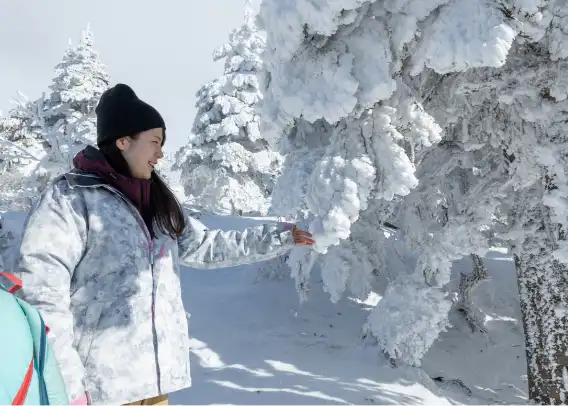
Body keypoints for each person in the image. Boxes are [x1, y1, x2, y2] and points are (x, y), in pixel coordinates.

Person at [13, 84, 315, 405]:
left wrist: (281, 236)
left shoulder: (158, 202)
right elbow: (42, 298)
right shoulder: (70, 199)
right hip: (100, 391)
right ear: (123, 141)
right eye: (155, 142)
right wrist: (68, 388)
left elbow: (206, 246)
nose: (161, 153)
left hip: (154, 386)